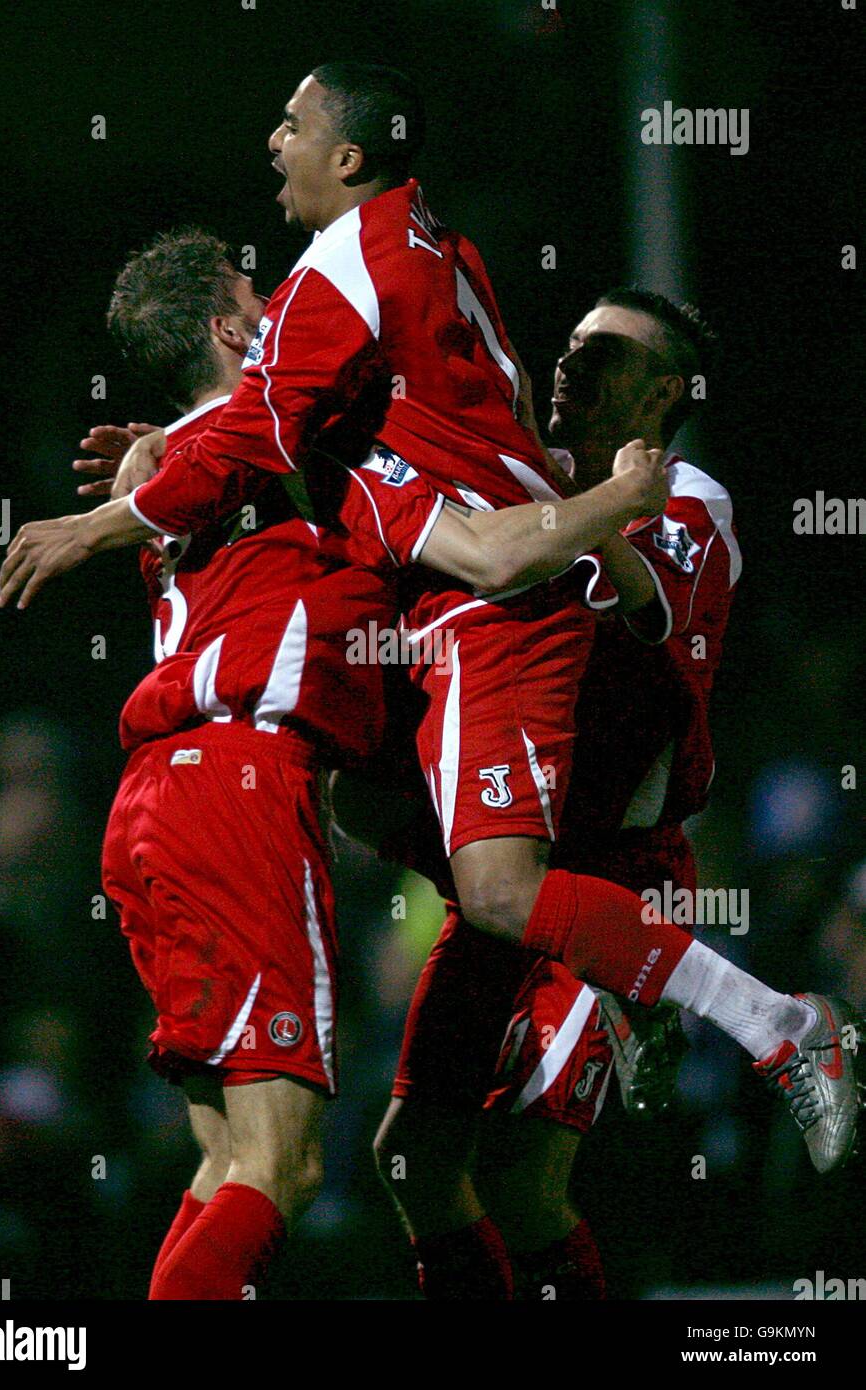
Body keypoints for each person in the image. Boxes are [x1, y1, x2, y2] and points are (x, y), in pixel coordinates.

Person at [0, 64, 863, 1191]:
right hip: (478, 640)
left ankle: (772, 1023)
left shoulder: (350, 279)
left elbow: (364, 477)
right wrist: (185, 450)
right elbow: (274, 434)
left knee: (518, 1135)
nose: (272, 140)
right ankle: (626, 965)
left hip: (556, 718)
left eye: (292, 124)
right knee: (414, 1134)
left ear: (348, 158)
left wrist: (106, 521)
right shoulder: (415, 302)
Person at [367, 289, 746, 1300]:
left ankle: (758, 1019)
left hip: (605, 867)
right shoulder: (514, 483)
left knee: (519, 1171)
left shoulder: (690, 501)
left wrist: (586, 525)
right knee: (409, 1155)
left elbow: (651, 659)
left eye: (607, 350)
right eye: (570, 339)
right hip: (497, 866)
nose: (572, 360)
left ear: (665, 391)